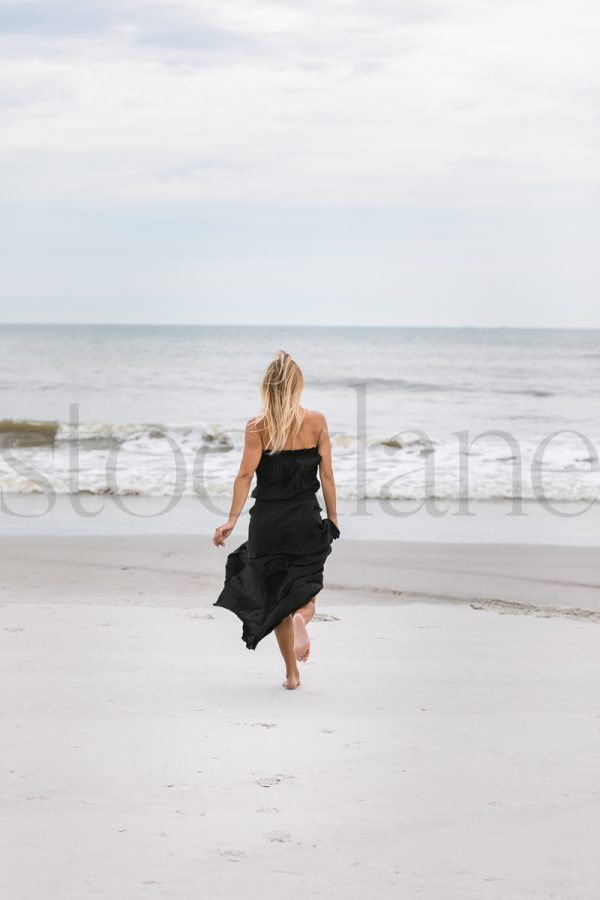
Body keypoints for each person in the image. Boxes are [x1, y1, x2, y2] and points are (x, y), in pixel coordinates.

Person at [212, 350, 340, 690]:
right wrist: (334, 518)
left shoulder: (257, 426)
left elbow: (244, 476)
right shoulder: (317, 421)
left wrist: (231, 520)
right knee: (304, 593)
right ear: (297, 386)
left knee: (277, 598)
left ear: (267, 388)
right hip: (304, 522)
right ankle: (303, 618)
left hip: (267, 525)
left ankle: (291, 674)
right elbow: (327, 476)